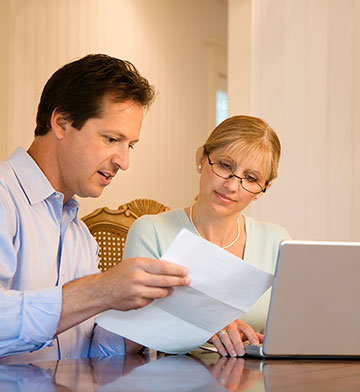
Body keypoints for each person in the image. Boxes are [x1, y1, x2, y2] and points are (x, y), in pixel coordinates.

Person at [0, 54, 190, 363]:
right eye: (112, 139)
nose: (124, 162)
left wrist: (156, 313)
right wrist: (100, 290)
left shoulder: (80, 235)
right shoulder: (4, 199)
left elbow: (91, 351)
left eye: (130, 145)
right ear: (61, 122)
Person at [123, 115, 291, 357]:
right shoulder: (150, 231)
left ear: (262, 190)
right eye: (225, 165)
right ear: (201, 159)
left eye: (251, 178)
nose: (232, 186)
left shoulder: (277, 241)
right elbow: (130, 337)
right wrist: (203, 325)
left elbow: (288, 333)